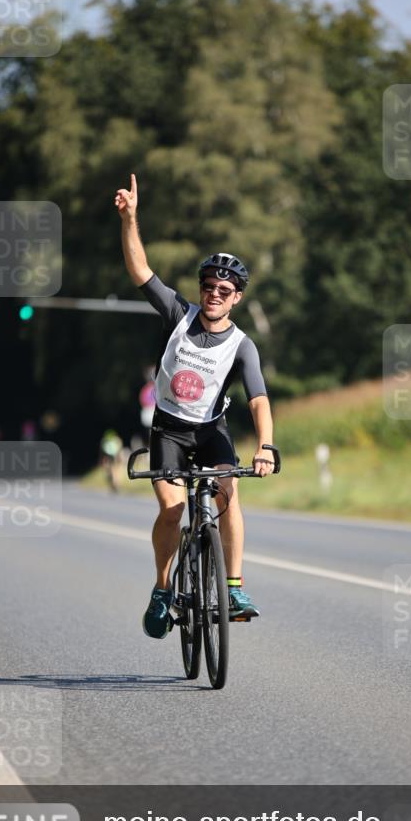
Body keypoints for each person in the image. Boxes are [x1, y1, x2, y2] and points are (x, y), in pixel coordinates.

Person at [114, 172, 275, 639]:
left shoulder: (242, 346)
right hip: (168, 429)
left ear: (236, 298)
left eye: (224, 290)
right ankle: (163, 588)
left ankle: (234, 587)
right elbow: (140, 270)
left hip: (210, 429)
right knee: (171, 509)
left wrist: (265, 446)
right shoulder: (177, 315)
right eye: (209, 286)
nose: (214, 294)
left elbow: (259, 399)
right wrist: (130, 219)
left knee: (228, 492)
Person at [100, 428, 123, 492]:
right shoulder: (117, 440)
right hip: (113, 457)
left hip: (111, 457)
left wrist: (102, 460)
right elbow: (119, 450)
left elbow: (102, 452)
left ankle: (115, 484)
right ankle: (115, 484)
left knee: (112, 471)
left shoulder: (104, 441)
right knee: (114, 471)